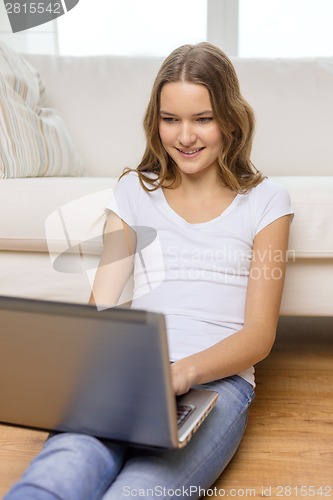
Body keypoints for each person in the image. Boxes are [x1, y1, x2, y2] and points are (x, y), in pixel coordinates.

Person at [5, 42, 293, 500]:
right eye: (170, 118)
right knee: (59, 474)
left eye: (203, 118)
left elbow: (259, 335)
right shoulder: (133, 193)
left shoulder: (267, 202)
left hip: (214, 386)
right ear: (154, 121)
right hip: (126, 375)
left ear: (232, 121)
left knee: (139, 491)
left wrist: (182, 373)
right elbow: (103, 305)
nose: (185, 136)